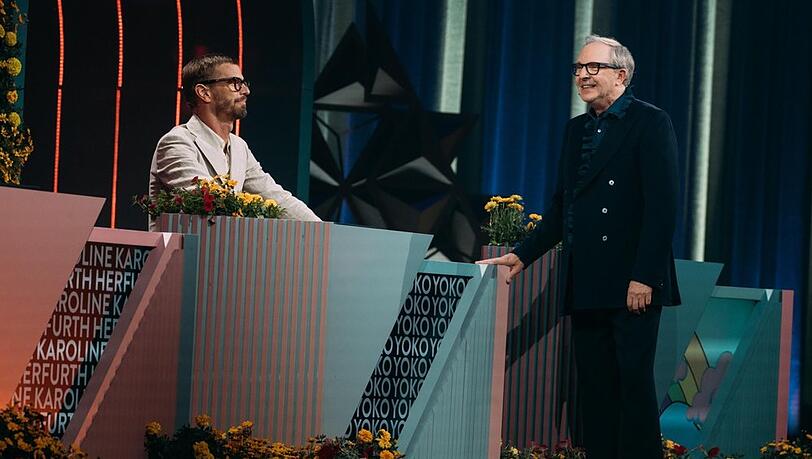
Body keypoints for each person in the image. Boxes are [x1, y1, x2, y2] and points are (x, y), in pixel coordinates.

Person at [478, 35, 681, 458]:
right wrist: (522, 254)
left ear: (620, 75)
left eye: (594, 68)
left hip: (632, 284)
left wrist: (645, 276)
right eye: (578, 68)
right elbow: (560, 207)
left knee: (633, 387)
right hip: (586, 280)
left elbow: (662, 208)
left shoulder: (650, 122)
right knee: (595, 392)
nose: (583, 76)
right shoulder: (577, 130)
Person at [148, 54, 320, 231]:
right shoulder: (176, 143)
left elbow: (275, 197)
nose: (245, 91)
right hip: (182, 255)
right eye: (235, 83)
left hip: (221, 253)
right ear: (204, 92)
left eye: (244, 83)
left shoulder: (239, 147)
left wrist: (322, 230)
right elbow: (208, 200)